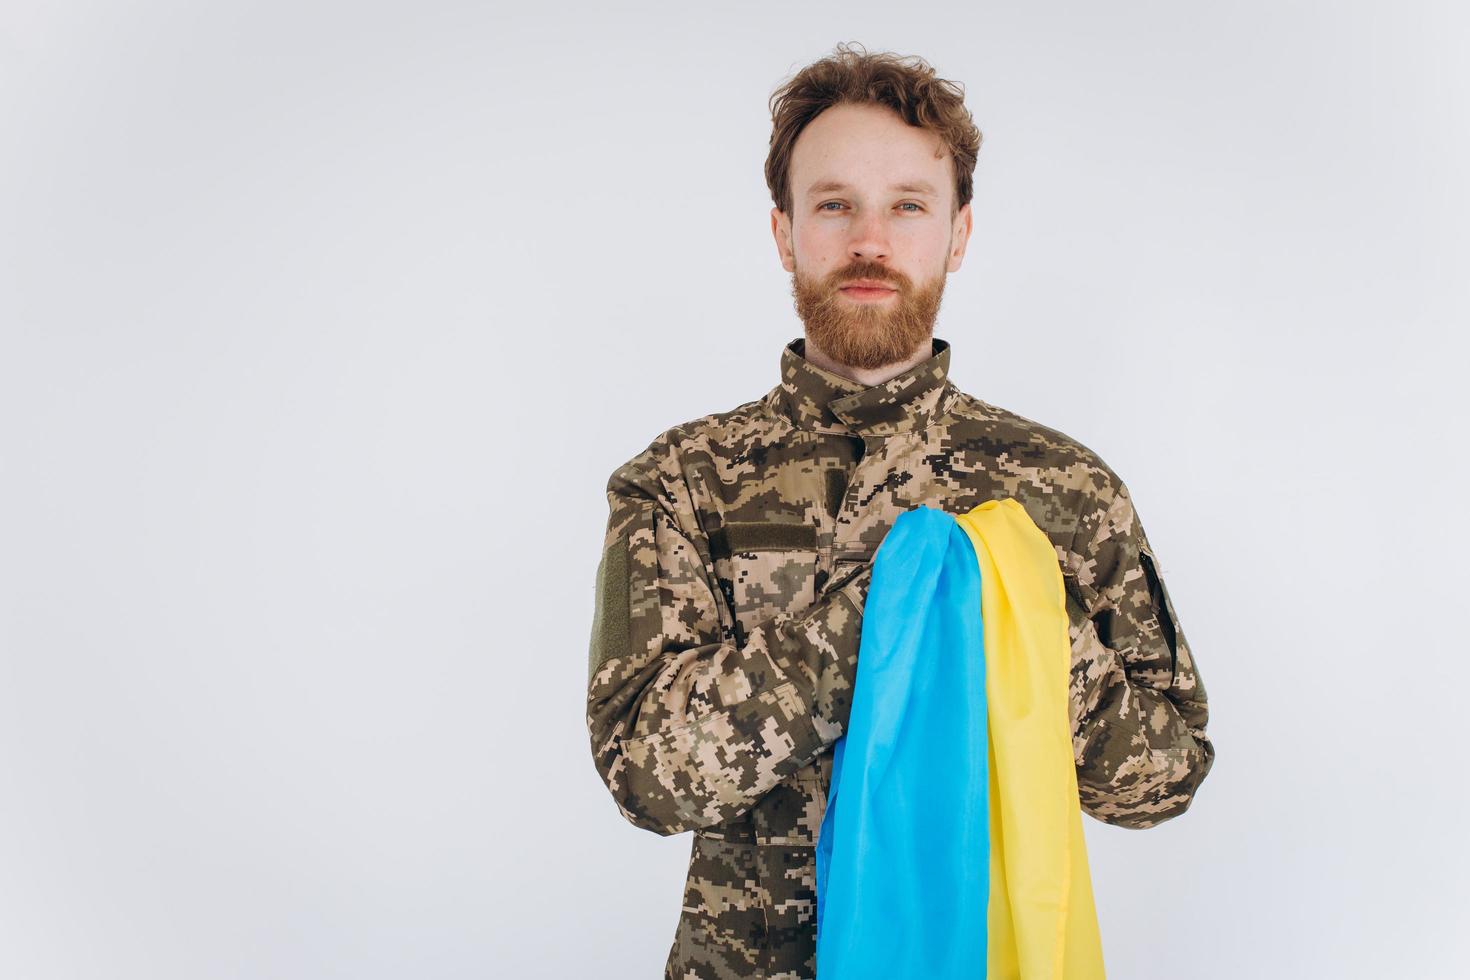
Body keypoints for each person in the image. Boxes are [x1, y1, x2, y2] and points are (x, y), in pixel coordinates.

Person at [584, 41, 1214, 979]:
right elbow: (649, 777)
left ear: (958, 232)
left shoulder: (1063, 489)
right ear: (783, 231)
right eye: (834, 205)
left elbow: (1162, 779)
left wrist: (1012, 607)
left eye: (908, 207)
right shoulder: (680, 482)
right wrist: (892, 607)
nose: (869, 241)